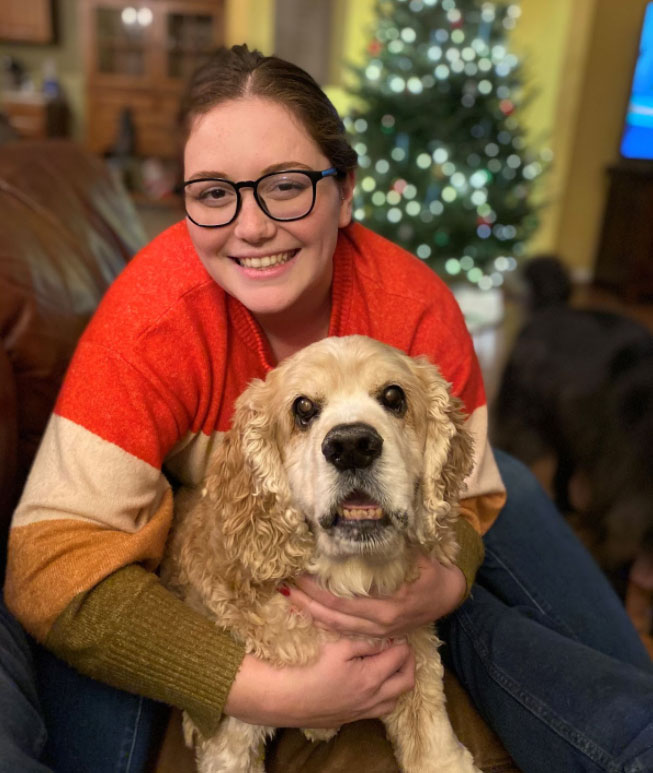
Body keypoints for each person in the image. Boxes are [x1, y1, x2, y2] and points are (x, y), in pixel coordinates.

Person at [2, 45, 653, 773]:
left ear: (343, 192)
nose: (250, 227)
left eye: (285, 185)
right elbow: (49, 564)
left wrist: (444, 580)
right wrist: (262, 690)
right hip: (218, 533)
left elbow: (464, 499)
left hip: (382, 531)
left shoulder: (414, 312)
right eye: (213, 192)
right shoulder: (150, 323)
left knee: (509, 492)